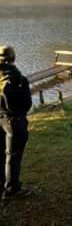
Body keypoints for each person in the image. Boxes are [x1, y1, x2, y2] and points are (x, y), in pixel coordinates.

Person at [0, 46, 32, 200]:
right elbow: (27, 104)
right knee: (13, 156)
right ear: (13, 58)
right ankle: (12, 189)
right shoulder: (18, 78)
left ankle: (2, 186)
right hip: (14, 121)